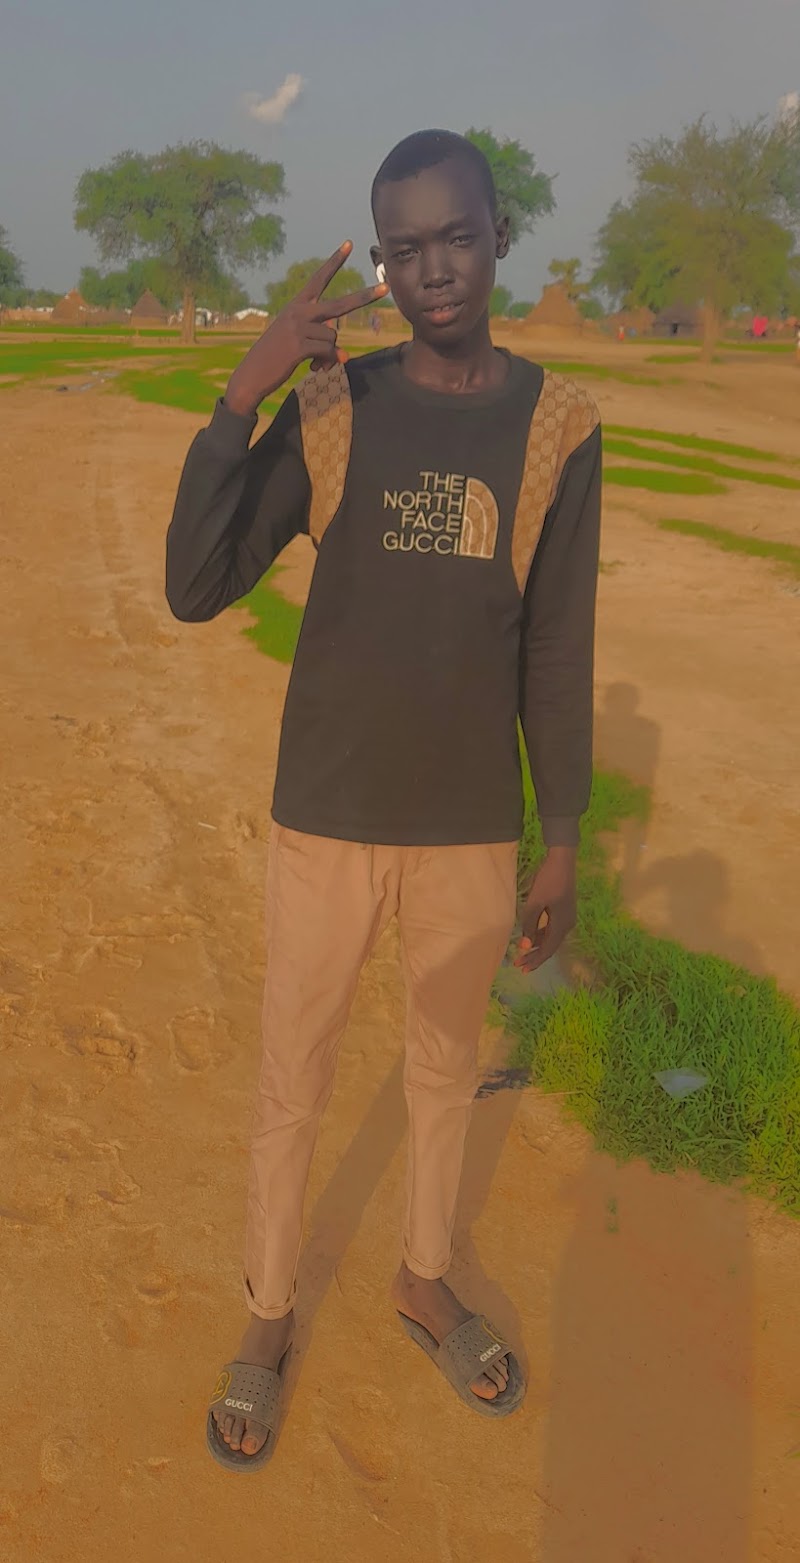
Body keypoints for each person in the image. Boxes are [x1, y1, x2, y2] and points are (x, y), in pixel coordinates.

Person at [166, 129, 602, 1470]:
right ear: (383, 266)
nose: (434, 269)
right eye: (404, 249)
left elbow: (555, 645)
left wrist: (561, 840)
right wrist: (244, 392)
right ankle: (269, 1308)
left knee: (442, 1069)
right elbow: (194, 585)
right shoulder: (335, 410)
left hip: (467, 824)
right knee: (293, 1074)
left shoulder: (559, 426)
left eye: (456, 236)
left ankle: (423, 1275)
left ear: (499, 234)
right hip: (328, 813)